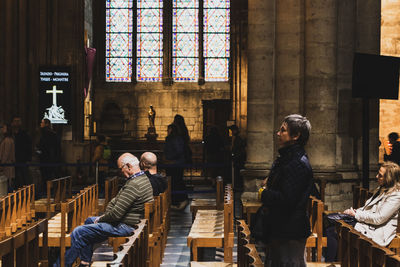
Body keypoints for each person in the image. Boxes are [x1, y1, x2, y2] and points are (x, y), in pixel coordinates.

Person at [54, 153, 154, 267]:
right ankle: (85, 262)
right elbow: (116, 202)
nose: (121, 172)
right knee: (89, 221)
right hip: (130, 223)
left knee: (78, 232)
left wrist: (102, 218)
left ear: (128, 166)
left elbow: (116, 214)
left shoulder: (134, 184)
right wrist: (108, 210)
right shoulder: (142, 178)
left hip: (126, 226)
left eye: (121, 169)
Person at [260, 114, 313, 267]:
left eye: (283, 130)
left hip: (290, 230)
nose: (278, 133)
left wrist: (263, 193)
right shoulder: (288, 158)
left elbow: (286, 200)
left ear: (296, 135)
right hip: (281, 227)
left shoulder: (297, 163)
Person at [325, 161, 400, 262]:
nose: (376, 176)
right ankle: (337, 260)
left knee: (333, 229)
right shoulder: (381, 189)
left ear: (388, 179)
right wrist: (354, 211)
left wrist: (356, 214)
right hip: (367, 224)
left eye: (380, 175)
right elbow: (367, 208)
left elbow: (379, 218)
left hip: (377, 230)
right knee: (330, 220)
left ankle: (333, 261)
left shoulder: (395, 196)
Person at [164, 123, 188, 210]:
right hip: (171, 164)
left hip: (176, 164)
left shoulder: (176, 139)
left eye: (169, 129)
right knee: (172, 183)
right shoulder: (171, 139)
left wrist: (170, 159)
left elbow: (178, 151)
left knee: (177, 182)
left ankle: (179, 199)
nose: (167, 131)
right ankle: (174, 200)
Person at [37, 119, 60, 195]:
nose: (40, 124)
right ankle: (51, 191)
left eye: (42, 122)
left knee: (46, 177)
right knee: (50, 176)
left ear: (46, 124)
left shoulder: (44, 134)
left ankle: (47, 192)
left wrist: (38, 152)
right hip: (52, 159)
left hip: (46, 159)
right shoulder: (54, 134)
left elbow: (42, 147)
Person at [11, 116, 32, 188]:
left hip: (23, 158)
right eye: (15, 121)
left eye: (18, 121)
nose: (17, 123)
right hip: (13, 159)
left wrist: (28, 158)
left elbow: (28, 146)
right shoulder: (11, 134)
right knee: (15, 177)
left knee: (24, 176)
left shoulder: (24, 134)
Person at [229, 125, 246, 190]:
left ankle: (238, 186)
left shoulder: (238, 138)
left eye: (232, 131)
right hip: (237, 158)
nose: (232, 132)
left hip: (239, 158)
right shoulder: (235, 138)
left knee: (238, 173)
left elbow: (237, 148)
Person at [0, 124, 15, 192]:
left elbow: (6, 153)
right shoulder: (7, 139)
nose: (2, 129)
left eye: (4, 128)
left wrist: (2, 163)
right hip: (7, 164)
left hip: (7, 164)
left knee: (7, 182)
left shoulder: (8, 140)